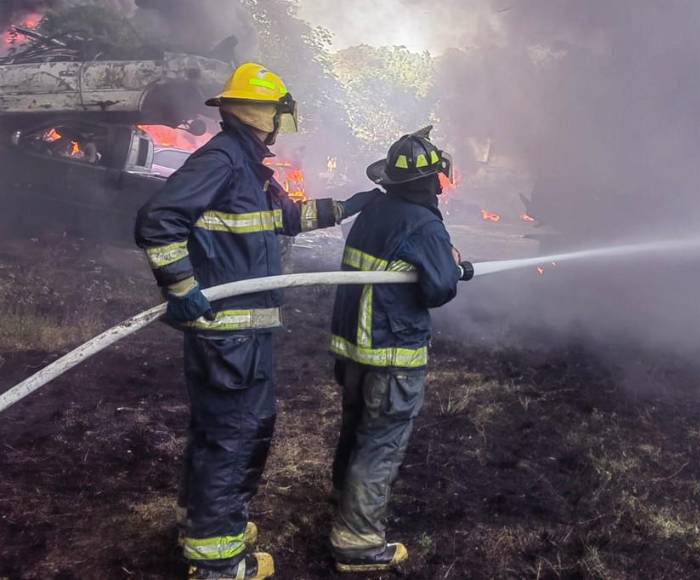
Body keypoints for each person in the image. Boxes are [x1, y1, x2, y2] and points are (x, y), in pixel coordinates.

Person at [135, 63, 379, 580]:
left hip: (240, 331)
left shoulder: (246, 166)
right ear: (265, 113)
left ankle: (203, 524)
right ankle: (218, 560)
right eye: (279, 114)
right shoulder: (223, 161)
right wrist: (180, 288)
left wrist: (348, 206)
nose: (281, 125)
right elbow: (158, 220)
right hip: (230, 333)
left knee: (220, 430)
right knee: (236, 433)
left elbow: (286, 219)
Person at [328, 126, 471, 572]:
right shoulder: (423, 223)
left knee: (356, 431)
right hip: (391, 354)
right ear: (431, 181)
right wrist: (449, 264)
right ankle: (357, 541)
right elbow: (438, 289)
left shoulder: (374, 211)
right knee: (381, 443)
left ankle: (345, 505)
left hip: (352, 349)